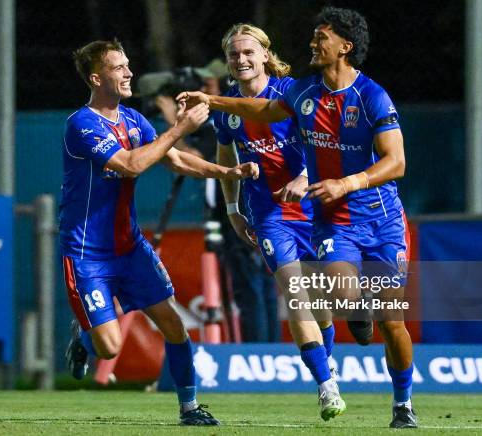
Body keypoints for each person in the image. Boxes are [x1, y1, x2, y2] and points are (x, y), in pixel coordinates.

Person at [178, 7, 417, 429]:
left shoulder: (372, 96)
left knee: (392, 321)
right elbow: (261, 111)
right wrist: (210, 99)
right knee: (340, 296)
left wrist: (346, 182)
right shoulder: (304, 93)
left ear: (345, 46)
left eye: (320, 36)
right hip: (333, 219)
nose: (312, 41)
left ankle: (402, 404)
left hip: (381, 218)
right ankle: (332, 372)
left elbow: (396, 162)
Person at [60, 39, 258, 426]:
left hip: (130, 248)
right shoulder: (81, 124)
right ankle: (84, 339)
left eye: (128, 64)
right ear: (97, 78)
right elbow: (131, 165)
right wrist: (180, 126)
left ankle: (189, 407)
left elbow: (175, 157)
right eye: (119, 67)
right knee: (110, 346)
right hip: (86, 253)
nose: (129, 72)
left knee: (173, 324)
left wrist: (227, 173)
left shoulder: (134, 120)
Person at [213, 23, 341, 419]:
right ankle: (327, 387)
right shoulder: (229, 109)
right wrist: (233, 208)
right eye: (234, 54)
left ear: (266, 55)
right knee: (295, 292)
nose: (241, 59)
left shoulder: (293, 94)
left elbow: (328, 144)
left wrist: (305, 179)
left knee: (322, 298)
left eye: (249, 52)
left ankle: (328, 358)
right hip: (269, 214)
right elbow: (224, 157)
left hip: (314, 208)